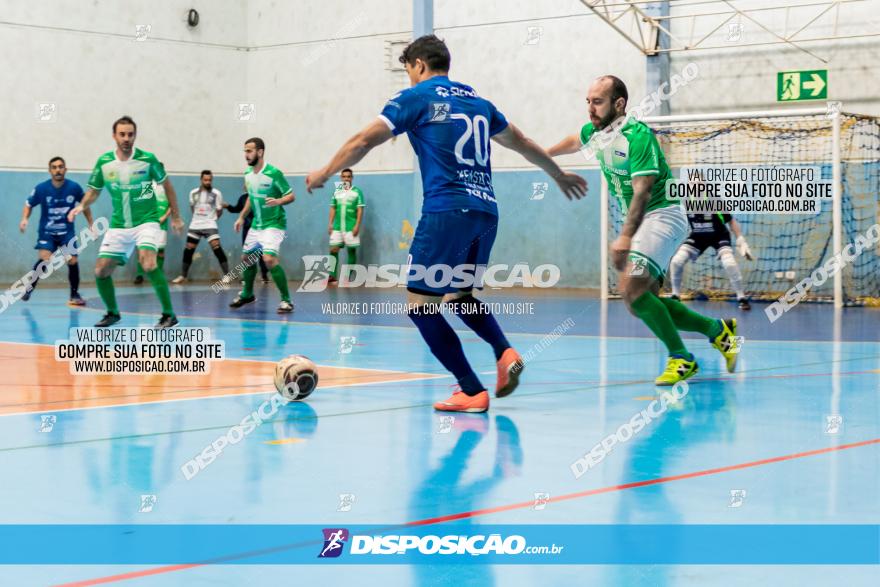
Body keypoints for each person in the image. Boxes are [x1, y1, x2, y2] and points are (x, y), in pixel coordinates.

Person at [306, 35, 587, 412]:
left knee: (420, 306)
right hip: (486, 211)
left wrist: (326, 170)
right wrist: (557, 174)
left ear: (419, 65)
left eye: (408, 70)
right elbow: (521, 141)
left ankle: (471, 389)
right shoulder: (479, 103)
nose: (408, 78)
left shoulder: (418, 98)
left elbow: (363, 140)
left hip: (446, 211)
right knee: (460, 295)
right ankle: (504, 352)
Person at [548, 75, 739, 385]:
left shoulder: (638, 137)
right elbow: (576, 140)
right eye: (588, 102)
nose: (590, 109)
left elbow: (643, 192)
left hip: (663, 215)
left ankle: (681, 358)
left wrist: (624, 235)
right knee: (642, 300)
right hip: (644, 222)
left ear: (619, 104)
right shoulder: (596, 131)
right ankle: (719, 331)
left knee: (630, 288)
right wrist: (545, 154)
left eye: (597, 102)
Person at [68, 115, 184, 328]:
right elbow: (94, 191)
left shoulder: (148, 160)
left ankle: (169, 314)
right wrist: (82, 205)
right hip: (119, 224)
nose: (126, 138)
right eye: (122, 134)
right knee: (101, 271)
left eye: (130, 134)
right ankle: (112, 313)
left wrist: (176, 216)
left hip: (146, 221)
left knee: (148, 262)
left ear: (135, 136)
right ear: (114, 136)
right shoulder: (104, 163)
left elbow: (167, 186)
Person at [230, 138, 295, 313]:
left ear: (260, 152)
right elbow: (251, 198)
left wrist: (278, 200)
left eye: (249, 151)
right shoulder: (248, 174)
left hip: (274, 223)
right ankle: (248, 294)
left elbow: (291, 196)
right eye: (245, 151)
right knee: (246, 259)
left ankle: (286, 301)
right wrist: (241, 217)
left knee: (268, 259)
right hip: (256, 225)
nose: (246, 155)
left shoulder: (274, 173)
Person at [19, 156, 93, 305]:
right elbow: (28, 204)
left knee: (72, 260)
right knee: (45, 258)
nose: (57, 170)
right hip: (47, 231)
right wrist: (25, 219)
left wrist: (91, 223)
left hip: (66, 232)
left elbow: (84, 205)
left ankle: (74, 294)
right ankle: (29, 288)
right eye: (54, 167)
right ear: (50, 170)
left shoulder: (74, 187)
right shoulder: (41, 188)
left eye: (60, 167)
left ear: (65, 169)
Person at [668, 213, 754, 310]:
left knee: (729, 263)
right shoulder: (685, 202)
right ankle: (675, 295)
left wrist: (740, 240)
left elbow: (731, 220)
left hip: (719, 235)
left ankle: (741, 297)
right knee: (676, 261)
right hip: (698, 236)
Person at [171, 170, 229, 283]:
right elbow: (192, 208)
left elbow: (219, 210)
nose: (208, 182)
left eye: (210, 180)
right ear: (201, 180)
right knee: (188, 249)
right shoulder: (193, 193)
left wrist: (212, 219)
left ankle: (227, 275)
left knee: (217, 248)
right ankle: (183, 276)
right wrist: (198, 219)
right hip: (195, 225)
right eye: (205, 180)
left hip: (210, 224)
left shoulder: (217, 193)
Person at [224, 189, 270, 283]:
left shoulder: (261, 196)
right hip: (247, 229)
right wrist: (228, 206)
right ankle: (246, 277)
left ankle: (264, 275)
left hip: (260, 228)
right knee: (247, 254)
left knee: (261, 252)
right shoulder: (243, 198)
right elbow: (237, 209)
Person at [328, 168, 365, 284]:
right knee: (333, 249)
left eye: (348, 176)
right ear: (341, 178)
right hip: (337, 227)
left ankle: (348, 277)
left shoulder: (357, 192)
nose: (346, 178)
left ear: (352, 178)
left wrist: (357, 225)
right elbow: (333, 208)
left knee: (351, 250)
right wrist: (330, 223)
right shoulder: (336, 192)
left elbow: (360, 209)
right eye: (344, 176)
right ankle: (332, 275)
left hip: (351, 226)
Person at [134, 181, 171, 283]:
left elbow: (171, 206)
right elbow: (142, 205)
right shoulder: (148, 186)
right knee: (142, 250)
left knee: (160, 251)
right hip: (148, 224)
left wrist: (164, 217)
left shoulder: (167, 187)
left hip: (162, 225)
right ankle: (140, 275)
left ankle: (158, 275)